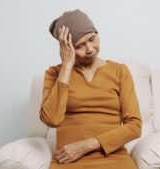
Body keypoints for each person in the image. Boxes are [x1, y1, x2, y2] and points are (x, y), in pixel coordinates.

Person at [40, 9, 142, 169]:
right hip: (68, 159)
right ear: (67, 48)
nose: (90, 49)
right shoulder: (54, 74)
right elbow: (52, 119)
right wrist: (66, 67)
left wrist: (87, 145)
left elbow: (134, 126)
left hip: (113, 157)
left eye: (92, 39)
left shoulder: (120, 71)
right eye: (79, 45)